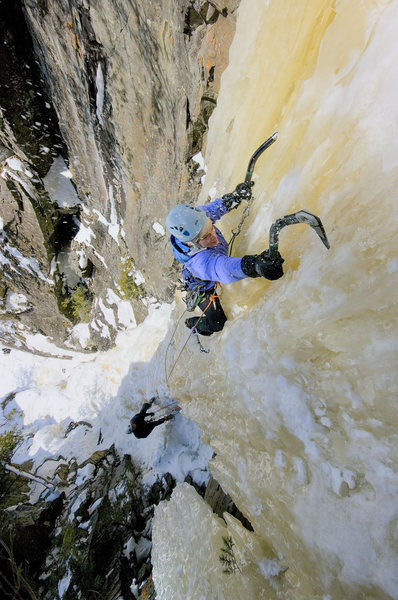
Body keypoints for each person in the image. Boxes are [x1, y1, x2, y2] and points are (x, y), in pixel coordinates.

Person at [165, 182, 284, 336]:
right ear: (191, 243)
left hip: (208, 267)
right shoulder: (200, 262)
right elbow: (221, 269)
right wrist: (255, 265)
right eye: (206, 237)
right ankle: (194, 324)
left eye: (211, 228)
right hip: (202, 287)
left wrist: (235, 196)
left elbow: (214, 209)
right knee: (218, 323)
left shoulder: (198, 221)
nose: (213, 236)